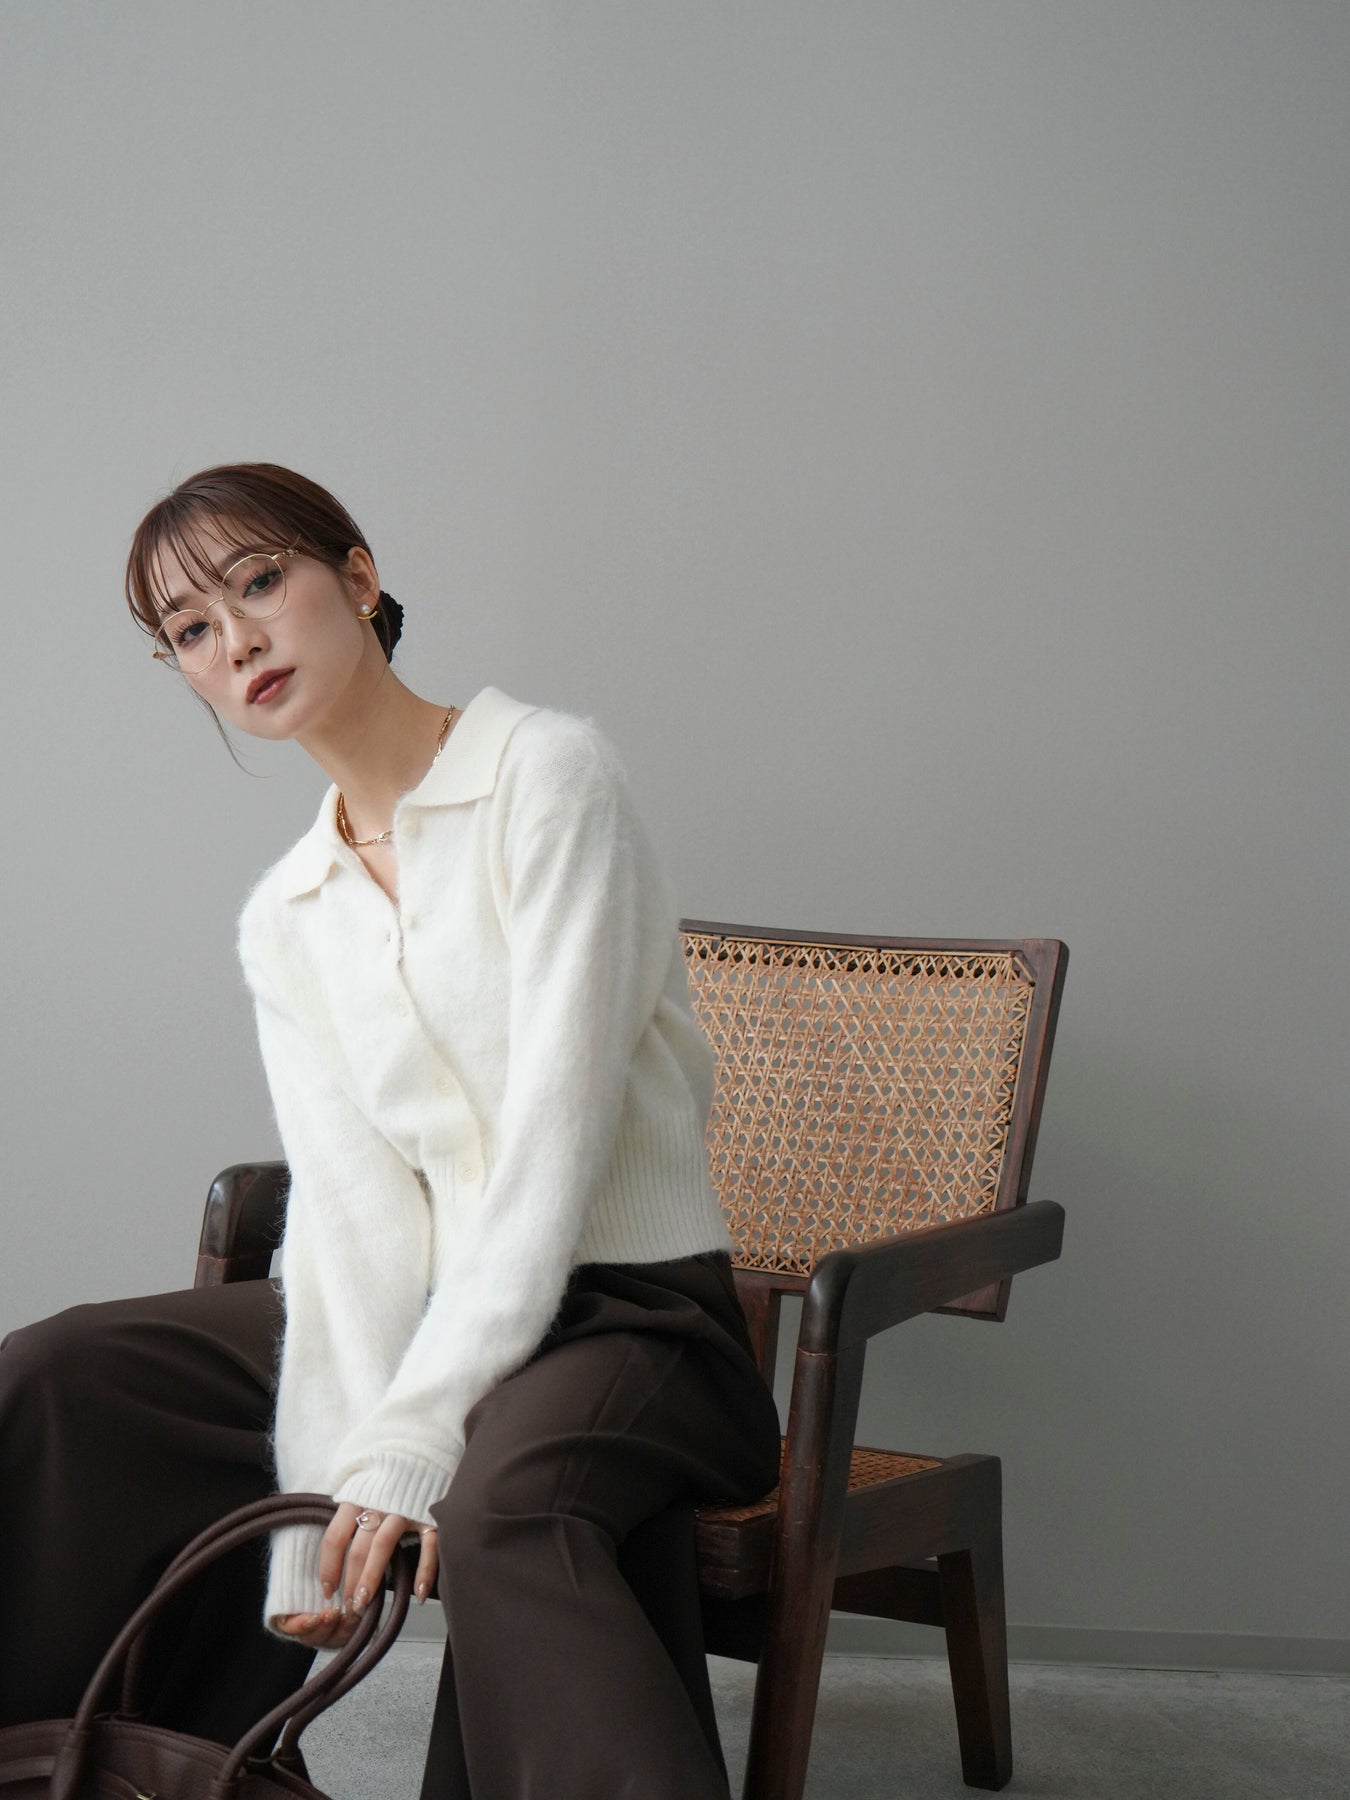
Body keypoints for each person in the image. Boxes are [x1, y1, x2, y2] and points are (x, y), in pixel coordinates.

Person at [0, 462, 783, 1797]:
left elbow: (553, 1145)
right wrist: (317, 1513)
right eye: (190, 629)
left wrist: (412, 1437)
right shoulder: (288, 913)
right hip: (432, 1310)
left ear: (357, 577)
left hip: (631, 1315)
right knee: (68, 1372)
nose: (236, 640)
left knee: (504, 1503)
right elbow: (354, 1223)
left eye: (260, 583)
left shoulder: (546, 777)